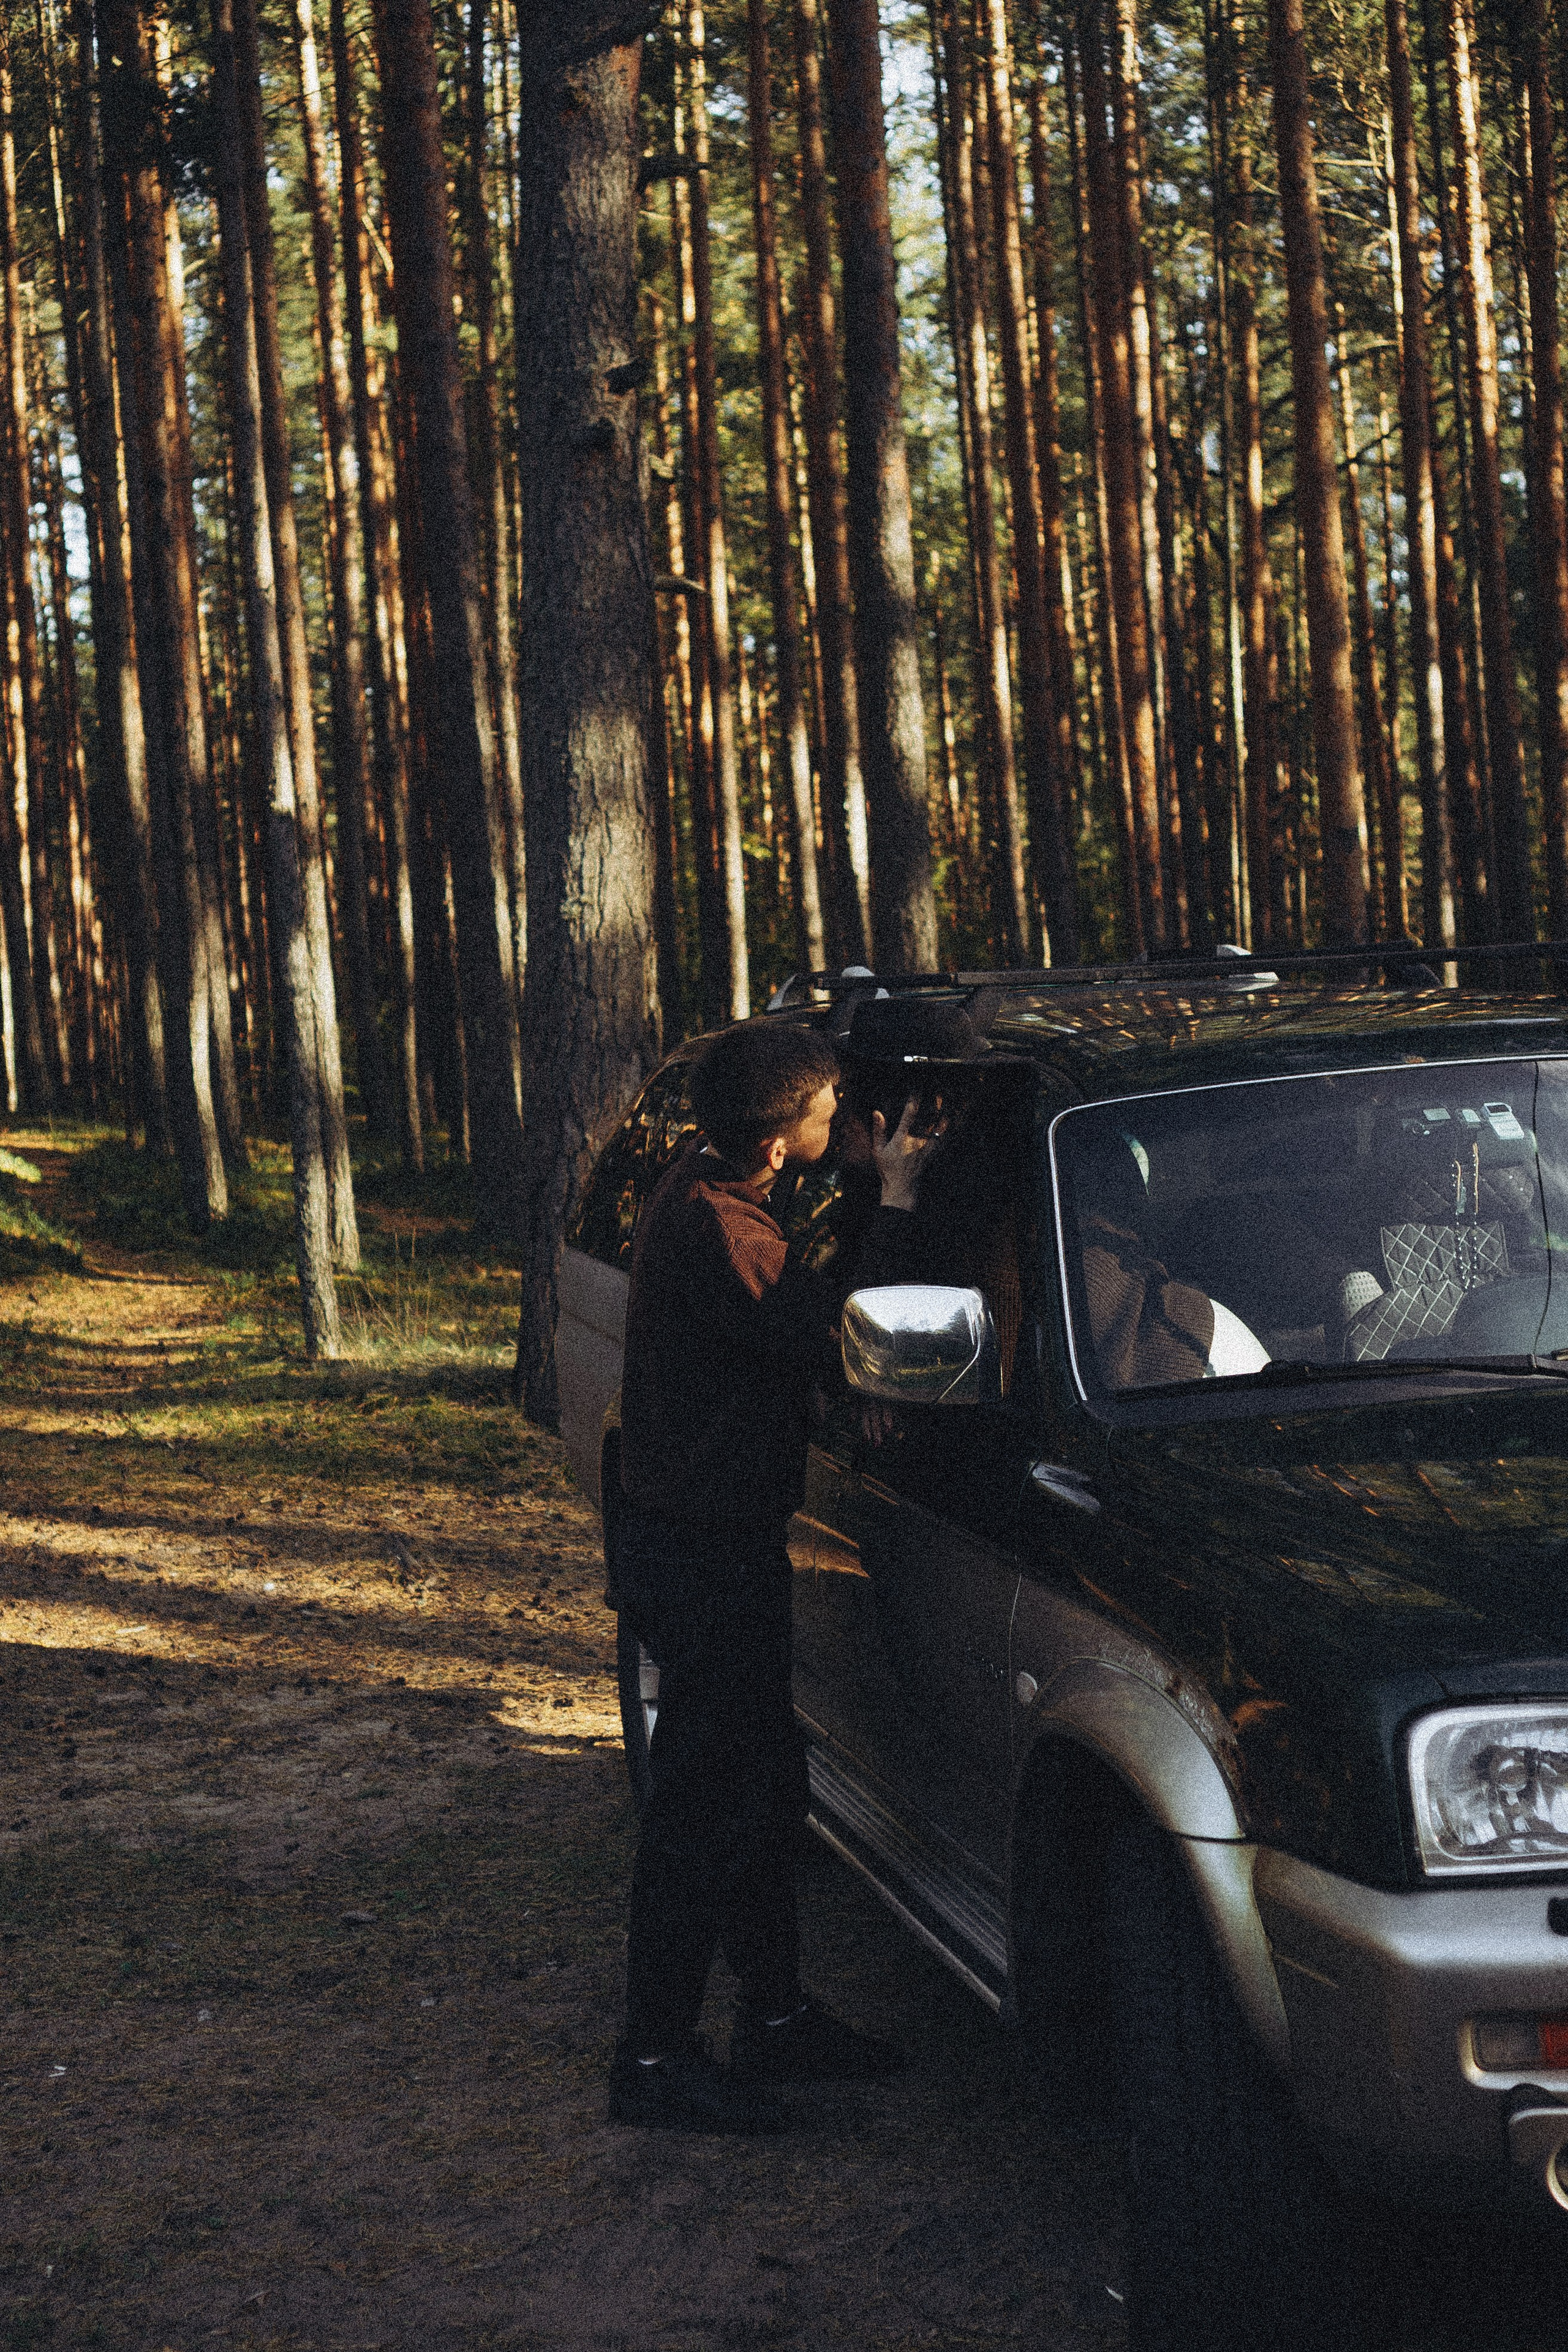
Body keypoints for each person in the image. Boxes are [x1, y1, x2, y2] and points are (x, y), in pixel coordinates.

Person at [608, 1020, 936, 2133]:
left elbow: (788, 1297)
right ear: (781, 1134)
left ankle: (778, 2018)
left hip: (702, 1536)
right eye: (829, 1106)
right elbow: (839, 1335)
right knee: (702, 1807)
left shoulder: (719, 1191)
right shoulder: (719, 1230)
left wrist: (848, 1181)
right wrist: (893, 1202)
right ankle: (650, 2059)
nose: (843, 1116)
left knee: (759, 1782)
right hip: (700, 1552)